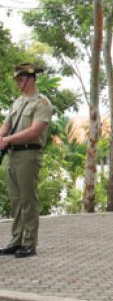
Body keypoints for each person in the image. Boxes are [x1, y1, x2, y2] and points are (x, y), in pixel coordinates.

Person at [0, 63, 53, 258]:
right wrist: (2, 138)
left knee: (28, 199)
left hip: (29, 154)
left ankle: (29, 242)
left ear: (31, 79)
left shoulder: (42, 103)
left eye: (21, 79)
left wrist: (7, 140)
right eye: (16, 79)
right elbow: (6, 126)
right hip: (13, 155)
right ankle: (16, 240)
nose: (18, 83)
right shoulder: (17, 102)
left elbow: (35, 131)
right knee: (16, 200)